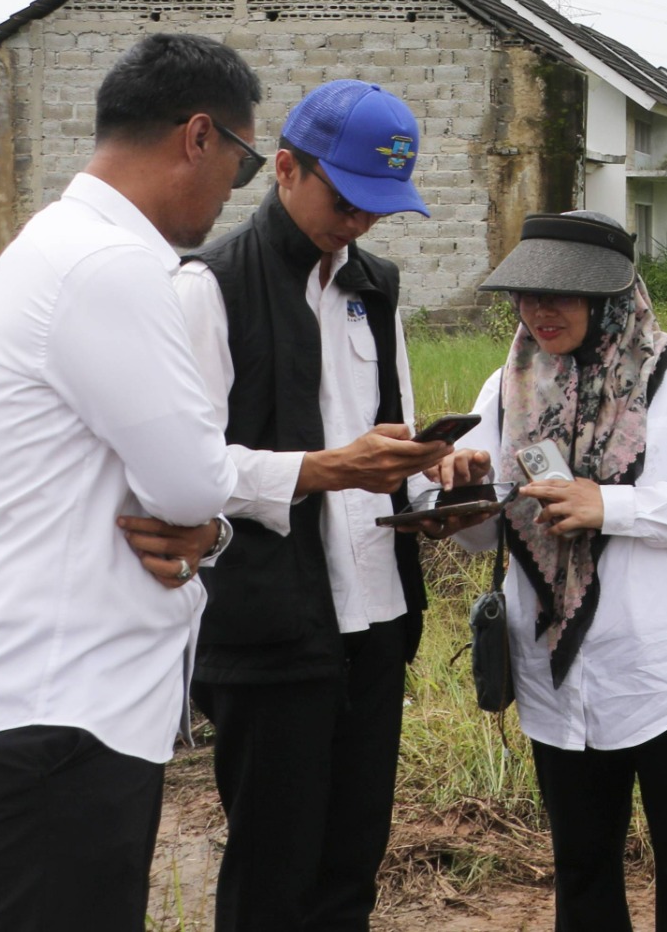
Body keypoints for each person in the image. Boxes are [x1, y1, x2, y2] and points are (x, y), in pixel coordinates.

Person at [0, 34, 258, 931]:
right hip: (67, 711)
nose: (232, 193)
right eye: (243, 163)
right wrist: (209, 521)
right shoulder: (113, 266)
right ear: (198, 137)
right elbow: (188, 485)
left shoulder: (55, 245)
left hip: (44, 694)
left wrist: (209, 524)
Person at [176, 78, 455, 932]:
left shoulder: (377, 284)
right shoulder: (207, 286)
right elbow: (183, 471)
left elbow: (386, 426)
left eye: (381, 207)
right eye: (347, 200)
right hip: (270, 625)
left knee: (351, 863)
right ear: (287, 169)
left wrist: (426, 481)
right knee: (273, 869)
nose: (361, 223)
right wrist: (326, 469)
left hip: (373, 614)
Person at [437, 210, 667, 932]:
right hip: (560, 677)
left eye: (564, 295)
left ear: (613, 299)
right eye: (527, 294)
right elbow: (487, 536)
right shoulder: (507, 390)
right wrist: (459, 498)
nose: (540, 312)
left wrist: (608, 505)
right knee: (580, 872)